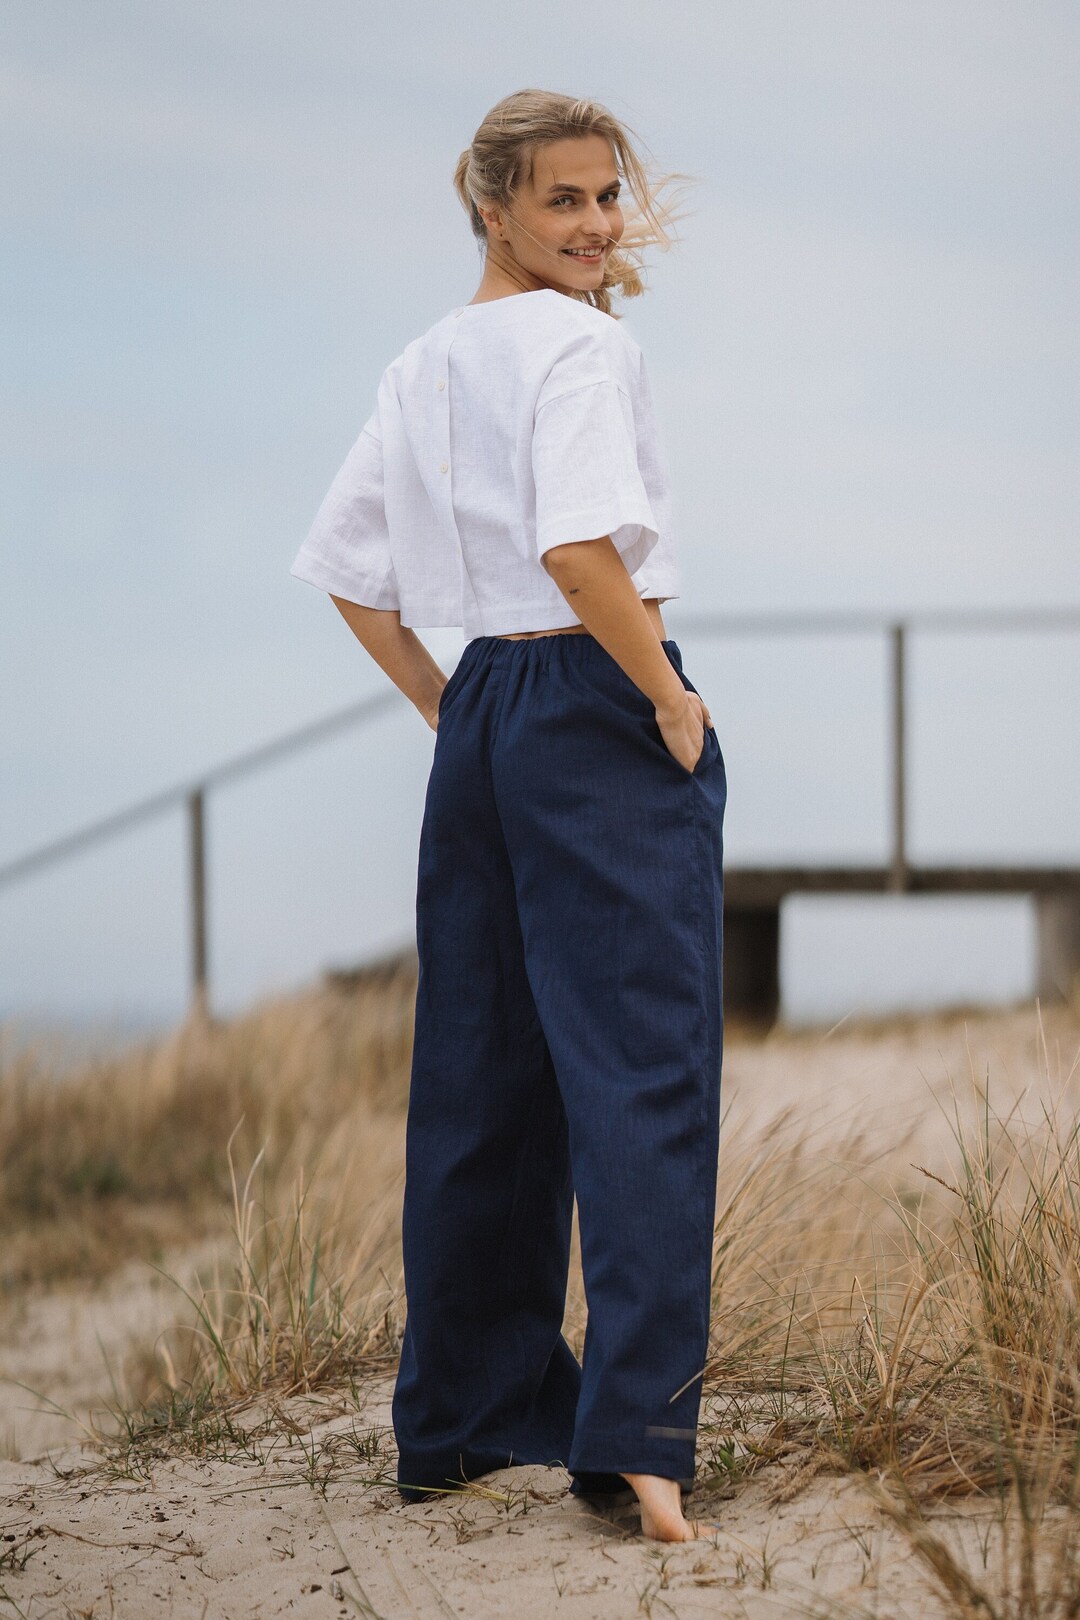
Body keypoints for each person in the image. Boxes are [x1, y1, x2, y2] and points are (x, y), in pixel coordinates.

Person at [290, 89, 726, 1543]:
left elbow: (353, 570)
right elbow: (576, 548)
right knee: (644, 1067)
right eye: (565, 202)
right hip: (591, 700)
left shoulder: (421, 365)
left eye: (609, 196)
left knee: (482, 1069)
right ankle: (640, 1445)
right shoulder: (583, 347)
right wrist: (663, 696)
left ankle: (464, 1424)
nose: (598, 225)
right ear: (493, 207)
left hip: (484, 712)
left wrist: (443, 701)